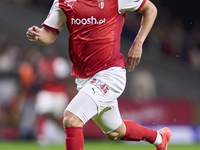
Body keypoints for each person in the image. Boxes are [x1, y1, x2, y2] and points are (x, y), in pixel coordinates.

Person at [26, 0, 172, 150]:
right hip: (84, 78)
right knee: (116, 131)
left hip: (110, 73)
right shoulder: (63, 1)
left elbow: (150, 9)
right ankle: (159, 138)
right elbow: (49, 35)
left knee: (71, 118)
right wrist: (38, 35)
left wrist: (138, 42)